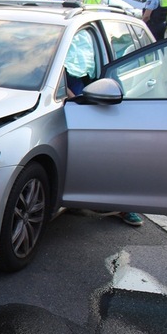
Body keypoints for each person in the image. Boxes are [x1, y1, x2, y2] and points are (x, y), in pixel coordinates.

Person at [62, 32, 143, 227]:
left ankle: (126, 206)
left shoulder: (97, 57)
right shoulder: (66, 63)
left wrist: (75, 100)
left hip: (110, 112)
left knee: (116, 158)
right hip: (79, 113)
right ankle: (75, 198)